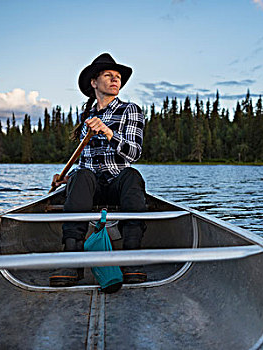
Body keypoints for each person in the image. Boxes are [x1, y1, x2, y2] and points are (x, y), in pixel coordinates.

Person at [49, 53, 147, 287]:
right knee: (80, 176)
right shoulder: (86, 117)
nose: (115, 80)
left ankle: (131, 258)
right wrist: (64, 180)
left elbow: (133, 153)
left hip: (117, 183)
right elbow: (84, 162)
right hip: (92, 185)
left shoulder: (130, 110)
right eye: (108, 75)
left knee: (133, 176)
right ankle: (73, 259)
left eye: (118, 77)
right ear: (94, 82)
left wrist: (108, 132)